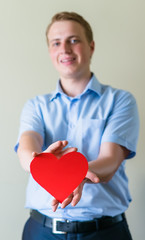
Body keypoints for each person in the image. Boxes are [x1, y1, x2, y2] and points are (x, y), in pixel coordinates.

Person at [15, 11, 139, 240]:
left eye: (74, 40)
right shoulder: (36, 106)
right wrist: (39, 162)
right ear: (50, 51)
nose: (65, 49)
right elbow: (26, 150)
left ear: (91, 47)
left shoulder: (120, 101)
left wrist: (77, 176)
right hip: (41, 232)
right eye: (56, 43)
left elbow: (110, 162)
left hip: (105, 232)